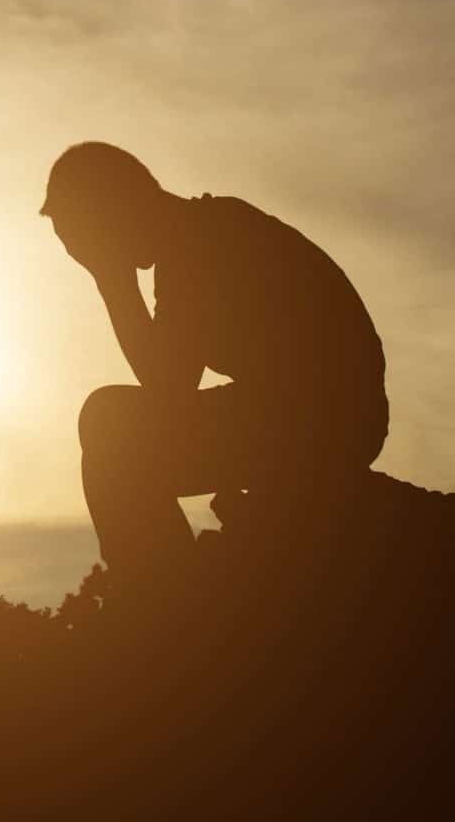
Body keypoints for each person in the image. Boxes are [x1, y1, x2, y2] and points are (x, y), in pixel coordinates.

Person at [42, 142, 388, 584]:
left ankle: (159, 603)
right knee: (113, 426)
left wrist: (111, 280)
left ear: (111, 210)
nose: (80, 255)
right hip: (310, 412)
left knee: (108, 423)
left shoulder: (201, 241)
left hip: (319, 418)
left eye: (80, 241)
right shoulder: (198, 233)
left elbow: (168, 389)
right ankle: (162, 594)